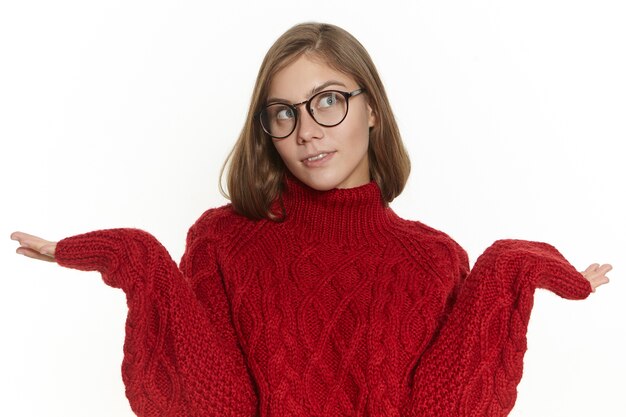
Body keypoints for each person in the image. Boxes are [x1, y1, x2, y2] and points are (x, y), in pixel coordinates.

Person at [11, 22, 610, 417]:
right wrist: (137, 257)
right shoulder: (224, 241)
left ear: (371, 107)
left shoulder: (434, 258)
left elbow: (444, 408)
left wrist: (512, 266)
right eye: (283, 113)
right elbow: (214, 403)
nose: (307, 131)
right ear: (266, 129)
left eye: (328, 100)